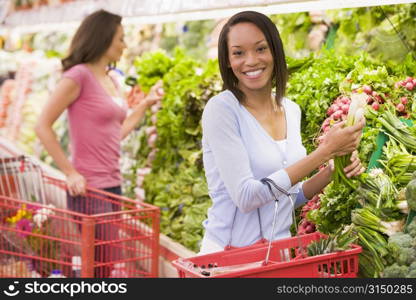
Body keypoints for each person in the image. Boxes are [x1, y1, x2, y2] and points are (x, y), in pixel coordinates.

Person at [199, 11, 365, 255]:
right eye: (238, 53)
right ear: (227, 61)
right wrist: (324, 152)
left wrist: (332, 169)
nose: (251, 60)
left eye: (260, 49)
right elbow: (247, 197)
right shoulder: (222, 110)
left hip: (278, 256)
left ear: (275, 51)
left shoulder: (291, 110)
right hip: (229, 258)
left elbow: (287, 197)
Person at [35, 9, 164, 277]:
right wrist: (69, 172)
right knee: (102, 263)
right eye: (120, 39)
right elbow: (42, 126)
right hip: (89, 189)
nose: (124, 45)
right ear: (103, 39)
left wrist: (146, 103)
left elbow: (116, 133)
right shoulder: (78, 76)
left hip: (113, 184)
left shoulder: (111, 80)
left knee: (104, 264)